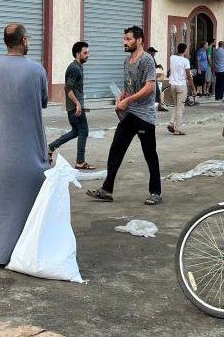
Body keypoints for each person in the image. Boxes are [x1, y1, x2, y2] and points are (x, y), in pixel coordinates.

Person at [0, 23, 49, 265]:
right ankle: (25, 252)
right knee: (31, 197)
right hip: (30, 146)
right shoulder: (37, 70)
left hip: (0, 144)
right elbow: (43, 101)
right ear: (24, 41)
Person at [86, 25, 162, 206]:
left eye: (128, 39)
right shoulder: (126, 62)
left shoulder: (147, 60)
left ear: (139, 40)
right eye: (124, 39)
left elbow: (150, 87)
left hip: (144, 115)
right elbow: (129, 87)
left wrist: (128, 101)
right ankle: (107, 190)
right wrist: (122, 98)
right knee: (116, 150)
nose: (125, 42)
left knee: (150, 154)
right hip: (130, 115)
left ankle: (155, 192)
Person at [48, 41, 94, 168]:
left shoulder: (78, 66)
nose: (88, 55)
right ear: (78, 54)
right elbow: (68, 88)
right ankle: (80, 161)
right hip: (75, 107)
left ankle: (51, 147)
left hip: (74, 106)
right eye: (85, 53)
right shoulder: (74, 68)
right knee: (83, 131)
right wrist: (78, 104)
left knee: (75, 132)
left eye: (88, 52)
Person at [166, 42, 192, 135]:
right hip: (181, 85)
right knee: (180, 107)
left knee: (176, 105)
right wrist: (192, 87)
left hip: (172, 84)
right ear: (185, 50)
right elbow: (189, 75)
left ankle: (171, 123)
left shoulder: (172, 58)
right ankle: (177, 129)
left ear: (178, 49)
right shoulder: (186, 61)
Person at [148, 47, 167, 112]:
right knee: (155, 92)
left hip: (153, 77)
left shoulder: (152, 58)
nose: (154, 54)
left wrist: (158, 66)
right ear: (150, 52)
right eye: (153, 52)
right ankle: (155, 106)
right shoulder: (148, 58)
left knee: (157, 92)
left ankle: (159, 106)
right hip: (150, 78)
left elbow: (155, 66)